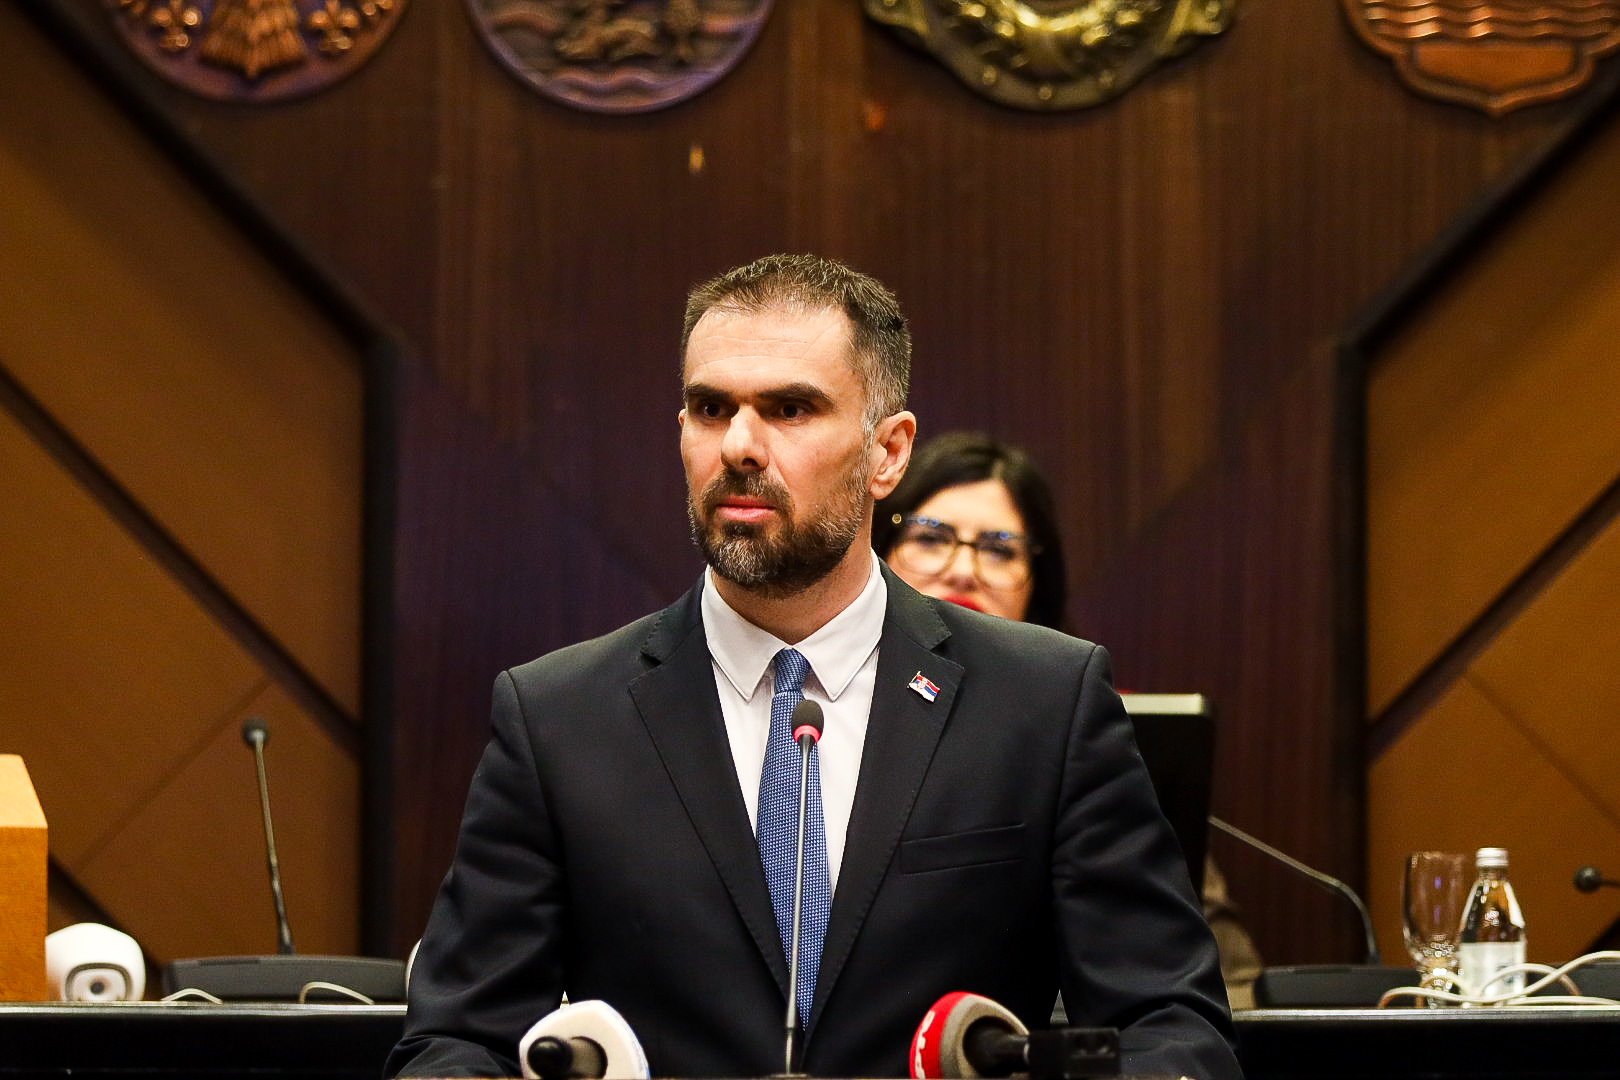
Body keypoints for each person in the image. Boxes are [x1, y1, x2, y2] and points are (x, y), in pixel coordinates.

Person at [387, 255, 1242, 1079]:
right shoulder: (557, 718)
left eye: (791, 409)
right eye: (711, 408)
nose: (740, 445)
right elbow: (457, 1042)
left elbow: (1169, 1027)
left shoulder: (1044, 703)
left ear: (888, 452)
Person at [874, 431, 1264, 1008]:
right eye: (931, 538)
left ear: (1038, 581)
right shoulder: (826, 711)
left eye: (1000, 549)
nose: (963, 570)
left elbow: (1225, 985)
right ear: (879, 550)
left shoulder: (1092, 729)